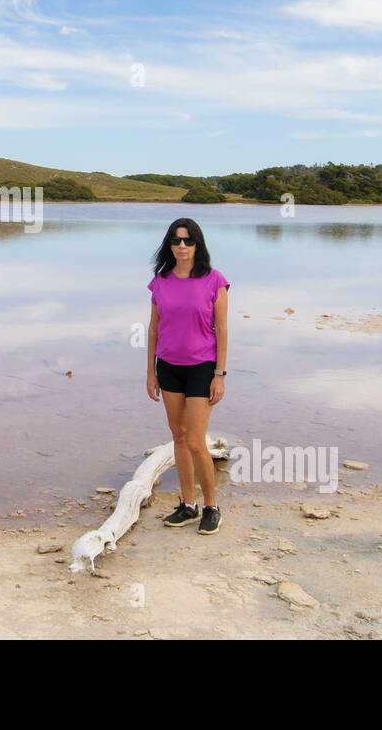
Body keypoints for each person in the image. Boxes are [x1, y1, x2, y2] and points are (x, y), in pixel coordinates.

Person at [145, 217, 230, 535]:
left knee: (195, 440)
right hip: (168, 367)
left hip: (201, 368)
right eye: (176, 241)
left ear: (198, 244)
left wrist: (219, 374)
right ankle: (188, 504)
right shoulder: (160, 280)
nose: (182, 246)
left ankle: (211, 506)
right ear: (169, 244)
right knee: (178, 437)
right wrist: (150, 372)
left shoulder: (214, 280)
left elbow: (221, 330)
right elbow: (153, 328)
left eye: (188, 241)